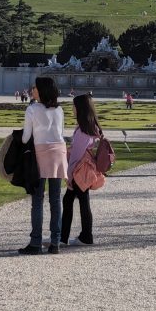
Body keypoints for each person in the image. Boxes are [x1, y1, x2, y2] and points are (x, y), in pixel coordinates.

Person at [19, 77, 67, 255]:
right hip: (59, 153)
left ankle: (36, 242)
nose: (32, 90)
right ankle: (55, 242)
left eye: (35, 87)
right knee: (55, 200)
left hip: (41, 154)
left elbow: (25, 138)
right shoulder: (60, 109)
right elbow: (61, 133)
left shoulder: (32, 109)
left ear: (42, 90)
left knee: (37, 201)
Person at [62, 94, 101, 247]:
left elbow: (76, 156)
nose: (72, 109)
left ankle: (69, 237)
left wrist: (68, 175)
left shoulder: (82, 131)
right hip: (86, 170)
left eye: (74, 106)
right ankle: (82, 236)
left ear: (80, 108)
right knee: (80, 201)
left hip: (80, 171)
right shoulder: (92, 126)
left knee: (74, 201)